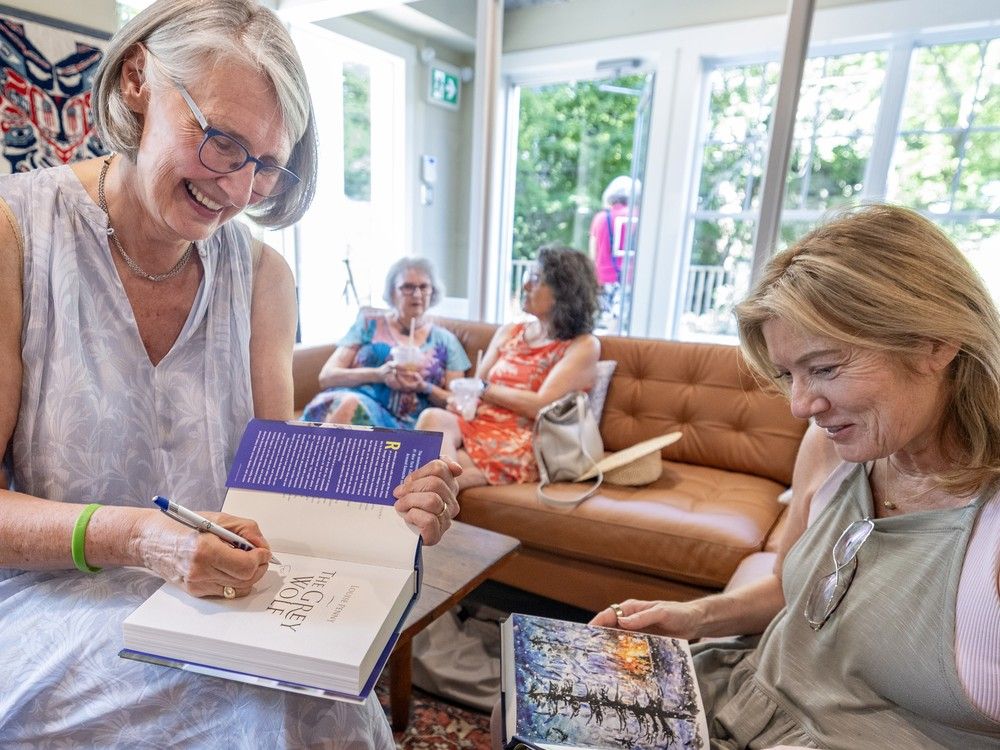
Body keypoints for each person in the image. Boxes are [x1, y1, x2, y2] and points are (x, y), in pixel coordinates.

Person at [0, 2, 459, 747]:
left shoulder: (261, 275)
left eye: (267, 164)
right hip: (50, 601)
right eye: (221, 141)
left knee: (335, 705)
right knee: (246, 712)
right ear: (139, 78)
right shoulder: (17, 236)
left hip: (217, 597)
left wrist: (393, 500)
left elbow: (279, 484)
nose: (241, 192)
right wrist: (141, 539)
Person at [582, 205, 1000, 749]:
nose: (801, 405)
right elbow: (790, 588)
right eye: (788, 375)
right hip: (742, 697)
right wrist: (693, 617)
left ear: (934, 342)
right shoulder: (830, 449)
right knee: (526, 712)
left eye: (825, 368)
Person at [417, 245, 601, 490]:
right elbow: (473, 389)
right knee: (432, 420)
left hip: (523, 437)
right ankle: (435, 498)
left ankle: (427, 504)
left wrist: (484, 389)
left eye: (535, 279)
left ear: (563, 291)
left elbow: (541, 405)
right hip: (477, 424)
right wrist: (462, 399)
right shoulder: (509, 332)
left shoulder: (582, 345)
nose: (525, 286)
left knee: (434, 469)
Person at [302, 257, 471, 428]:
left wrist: (424, 386)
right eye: (408, 287)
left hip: (404, 424)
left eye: (424, 287)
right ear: (392, 292)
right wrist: (378, 374)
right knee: (350, 404)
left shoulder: (446, 341)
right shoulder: (368, 324)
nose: (417, 294)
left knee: (350, 408)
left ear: (432, 292)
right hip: (351, 400)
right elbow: (327, 377)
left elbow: (456, 401)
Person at [588, 175, 637, 317]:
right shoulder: (636, 216)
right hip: (628, 278)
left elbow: (593, 254)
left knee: (605, 320)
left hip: (602, 278)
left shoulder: (600, 218)